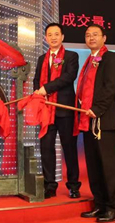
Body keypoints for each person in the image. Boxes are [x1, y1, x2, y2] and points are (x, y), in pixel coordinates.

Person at [74, 24, 115, 223]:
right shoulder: (88, 61)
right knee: (94, 167)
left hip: (104, 121)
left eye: (95, 34)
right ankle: (100, 204)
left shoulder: (111, 58)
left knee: (109, 167)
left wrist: (97, 109)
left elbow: (111, 87)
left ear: (104, 38)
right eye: (88, 35)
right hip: (88, 120)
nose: (91, 38)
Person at [32, 22, 81, 199]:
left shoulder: (71, 56)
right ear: (45, 38)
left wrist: (46, 88)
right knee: (46, 149)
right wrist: (38, 93)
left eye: (56, 34)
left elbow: (69, 77)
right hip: (46, 110)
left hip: (64, 110)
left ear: (62, 37)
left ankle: (73, 186)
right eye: (50, 35)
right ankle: (49, 186)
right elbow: (36, 80)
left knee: (69, 149)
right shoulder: (42, 59)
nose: (53, 37)